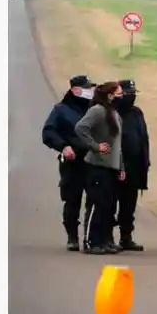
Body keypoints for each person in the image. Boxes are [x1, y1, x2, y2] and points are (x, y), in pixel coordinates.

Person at [41, 75, 96, 251]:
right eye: (85, 88)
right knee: (72, 200)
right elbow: (48, 132)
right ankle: (72, 237)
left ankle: (92, 237)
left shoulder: (94, 109)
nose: (89, 91)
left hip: (93, 161)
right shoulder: (61, 110)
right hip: (73, 162)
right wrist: (63, 146)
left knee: (95, 199)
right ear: (74, 90)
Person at [74, 82, 127, 255]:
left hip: (111, 166)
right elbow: (81, 128)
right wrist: (95, 146)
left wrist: (121, 166)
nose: (122, 96)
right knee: (97, 204)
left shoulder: (114, 113)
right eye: (119, 94)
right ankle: (91, 241)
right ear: (110, 95)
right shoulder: (97, 111)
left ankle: (104, 240)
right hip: (97, 166)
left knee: (108, 206)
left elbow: (118, 144)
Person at [113, 79, 150, 252]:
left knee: (129, 206)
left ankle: (126, 237)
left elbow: (143, 138)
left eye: (134, 93)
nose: (132, 96)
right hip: (115, 166)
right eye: (128, 93)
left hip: (135, 167)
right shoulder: (111, 111)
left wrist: (145, 162)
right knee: (110, 203)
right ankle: (106, 238)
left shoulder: (137, 113)